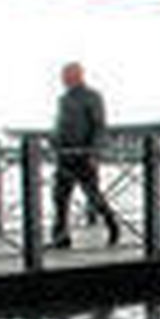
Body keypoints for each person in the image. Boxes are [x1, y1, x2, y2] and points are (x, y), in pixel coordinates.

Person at [51, 62, 119, 248]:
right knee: (59, 197)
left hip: (84, 155)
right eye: (62, 75)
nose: (63, 79)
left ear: (78, 75)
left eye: (66, 75)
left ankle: (112, 225)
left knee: (93, 195)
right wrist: (54, 141)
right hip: (64, 156)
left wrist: (94, 154)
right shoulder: (63, 99)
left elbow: (99, 127)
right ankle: (61, 237)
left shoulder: (92, 97)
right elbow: (61, 126)